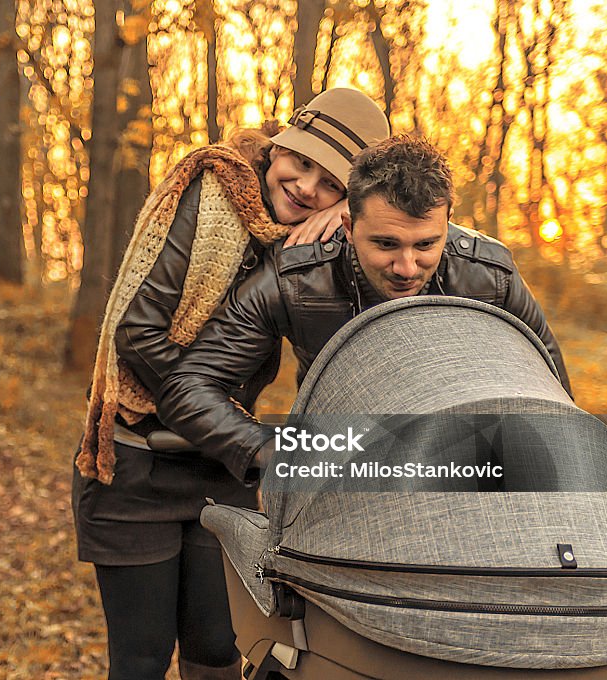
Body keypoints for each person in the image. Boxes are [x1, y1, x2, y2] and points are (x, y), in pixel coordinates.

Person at [73, 89, 390, 680]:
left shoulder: (304, 242)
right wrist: (210, 409)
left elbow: (337, 342)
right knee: (140, 661)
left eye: (330, 185)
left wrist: (344, 228)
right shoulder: (212, 197)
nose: (305, 188)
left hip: (222, 473)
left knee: (219, 654)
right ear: (281, 145)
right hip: (138, 463)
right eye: (302, 163)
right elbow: (138, 333)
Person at [157, 134, 573, 485]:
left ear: (448, 223)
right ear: (349, 226)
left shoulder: (491, 274)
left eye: (426, 244)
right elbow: (187, 388)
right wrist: (274, 453)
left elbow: (556, 396)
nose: (407, 267)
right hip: (343, 468)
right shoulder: (294, 278)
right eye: (386, 244)